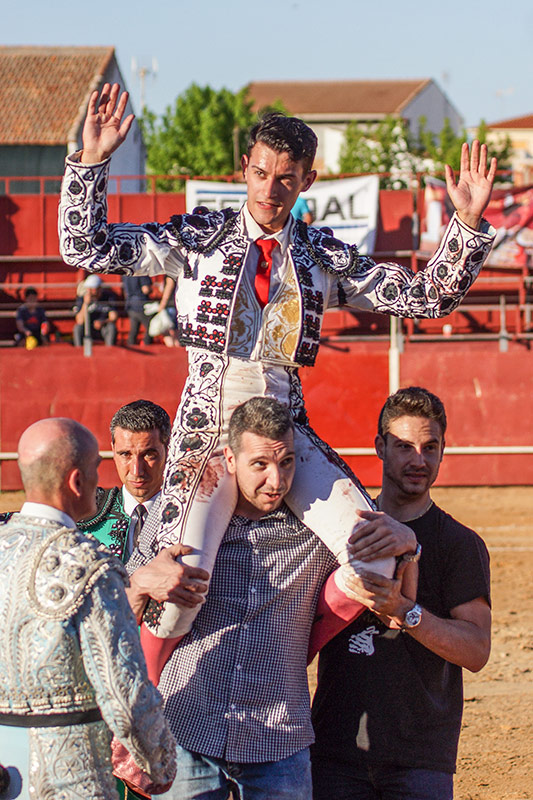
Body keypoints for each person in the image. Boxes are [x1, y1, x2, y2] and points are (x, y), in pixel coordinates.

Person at [58, 82, 497, 651]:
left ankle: (288, 654)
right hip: (208, 435)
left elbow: (425, 297)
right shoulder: (198, 239)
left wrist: (466, 225)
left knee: (377, 564)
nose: (270, 190)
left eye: (286, 178)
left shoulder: (322, 257)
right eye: (261, 173)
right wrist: (91, 163)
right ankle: (148, 696)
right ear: (245, 167)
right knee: (175, 598)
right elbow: (85, 248)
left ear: (307, 180)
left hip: (286, 432)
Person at [125, 396, 418, 800]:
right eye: (260, 464)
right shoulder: (178, 517)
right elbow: (118, 609)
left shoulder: (319, 532)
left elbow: (392, 607)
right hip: (188, 727)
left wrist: (409, 546)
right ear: (230, 459)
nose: (276, 480)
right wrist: (140, 583)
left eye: (287, 462)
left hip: (278, 739)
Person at [311, 387, 492, 800]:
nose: (418, 460)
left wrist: (405, 612)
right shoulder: (339, 532)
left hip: (419, 758)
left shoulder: (459, 544)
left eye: (430, 448)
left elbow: (476, 650)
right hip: (334, 751)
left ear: (443, 451)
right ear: (380, 447)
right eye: (404, 446)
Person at [0, 417, 176, 799]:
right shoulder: (91, 566)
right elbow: (123, 692)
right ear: (77, 481)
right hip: (73, 777)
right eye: (97, 469)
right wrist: (160, 763)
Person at [79, 399, 170, 562]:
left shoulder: (189, 514)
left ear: (168, 450)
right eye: (125, 454)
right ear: (113, 450)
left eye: (149, 455)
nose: (137, 471)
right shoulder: (84, 510)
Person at [73, 273, 118, 347]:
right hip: (87, 327)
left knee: (111, 327)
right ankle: (79, 350)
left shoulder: (108, 297)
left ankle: (110, 349)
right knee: (77, 328)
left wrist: (102, 322)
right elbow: (80, 321)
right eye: (89, 289)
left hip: (103, 327)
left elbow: (113, 317)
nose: (91, 292)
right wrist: (85, 304)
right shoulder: (82, 298)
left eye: (93, 289)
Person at [123, 275, 154, 345]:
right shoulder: (142, 274)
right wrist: (151, 290)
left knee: (133, 330)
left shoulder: (126, 274)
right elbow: (146, 290)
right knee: (150, 328)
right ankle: (147, 345)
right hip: (141, 304)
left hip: (130, 304)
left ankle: (131, 346)